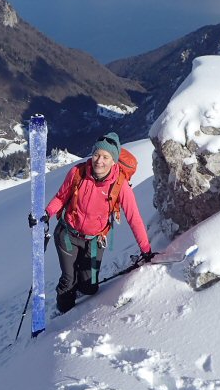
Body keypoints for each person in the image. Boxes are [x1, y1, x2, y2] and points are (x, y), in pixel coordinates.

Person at [30, 132, 152, 313]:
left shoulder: (121, 186)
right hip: (68, 235)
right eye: (96, 154)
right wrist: (46, 214)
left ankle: (81, 286)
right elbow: (60, 198)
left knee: (89, 287)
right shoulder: (77, 173)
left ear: (113, 161)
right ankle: (63, 312)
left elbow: (134, 218)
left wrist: (146, 250)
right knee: (68, 279)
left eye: (105, 157)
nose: (99, 161)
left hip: (95, 240)